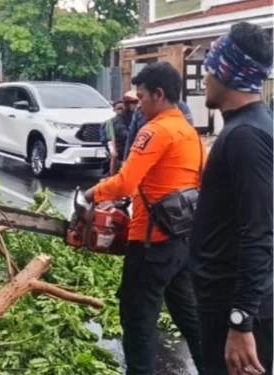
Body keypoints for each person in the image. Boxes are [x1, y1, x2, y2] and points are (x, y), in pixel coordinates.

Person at [83, 62, 205, 375]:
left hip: (150, 244)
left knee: (138, 321)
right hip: (181, 242)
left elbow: (125, 182)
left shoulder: (155, 130)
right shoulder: (190, 133)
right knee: (190, 318)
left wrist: (91, 194)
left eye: (142, 97)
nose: (139, 105)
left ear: (159, 95)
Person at [189, 22, 274, 375]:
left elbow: (259, 233)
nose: (205, 78)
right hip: (228, 305)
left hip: (237, 312)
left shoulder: (246, 137)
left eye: (210, 68)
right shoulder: (251, 126)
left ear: (228, 71)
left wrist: (241, 321)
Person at [123, 99, 194, 160]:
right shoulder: (139, 110)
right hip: (144, 158)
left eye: (142, 96)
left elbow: (189, 134)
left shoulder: (181, 107)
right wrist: (126, 160)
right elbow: (131, 138)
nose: (139, 104)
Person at [101, 101, 125, 175]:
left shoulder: (127, 119)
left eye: (122, 108)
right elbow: (111, 136)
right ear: (114, 110)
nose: (121, 110)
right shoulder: (110, 121)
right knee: (114, 156)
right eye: (118, 108)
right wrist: (114, 149)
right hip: (112, 141)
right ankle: (112, 175)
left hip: (122, 142)